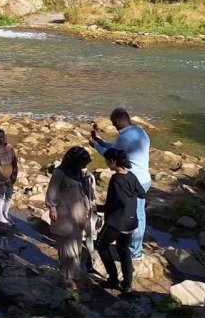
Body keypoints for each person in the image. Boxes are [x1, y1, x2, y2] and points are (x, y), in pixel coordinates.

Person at [90, 108, 152, 259]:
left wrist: (96, 146)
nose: (114, 126)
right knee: (140, 215)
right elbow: (119, 150)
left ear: (118, 121)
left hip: (131, 181)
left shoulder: (124, 137)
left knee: (132, 216)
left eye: (113, 123)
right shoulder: (140, 132)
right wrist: (102, 142)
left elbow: (113, 157)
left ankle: (134, 252)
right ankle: (134, 247)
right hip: (145, 179)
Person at [96, 148, 147, 295]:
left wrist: (98, 208)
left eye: (107, 161)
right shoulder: (131, 176)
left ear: (113, 161)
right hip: (131, 222)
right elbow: (142, 194)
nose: (106, 164)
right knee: (123, 251)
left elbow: (116, 203)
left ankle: (113, 278)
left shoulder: (116, 179)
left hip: (116, 222)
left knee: (101, 245)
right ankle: (127, 285)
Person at [45, 146, 96, 285]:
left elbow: (85, 192)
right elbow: (52, 190)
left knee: (76, 244)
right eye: (82, 163)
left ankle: (73, 273)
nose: (84, 166)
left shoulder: (78, 172)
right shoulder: (59, 173)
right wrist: (52, 208)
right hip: (64, 214)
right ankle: (67, 276)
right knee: (66, 245)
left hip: (78, 212)